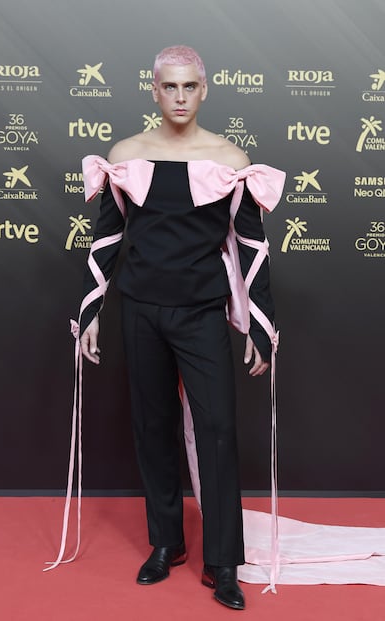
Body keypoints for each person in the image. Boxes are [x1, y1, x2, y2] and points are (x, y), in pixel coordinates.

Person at [78, 45, 285, 610]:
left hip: (201, 313)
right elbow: (106, 239)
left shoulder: (228, 157)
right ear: (154, 90)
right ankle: (166, 542)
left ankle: (222, 561)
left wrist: (261, 328)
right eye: (169, 87)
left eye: (189, 86)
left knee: (217, 431)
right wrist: (91, 310)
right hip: (141, 311)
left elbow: (252, 248)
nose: (179, 97)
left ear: (205, 89)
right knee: (152, 427)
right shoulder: (127, 153)